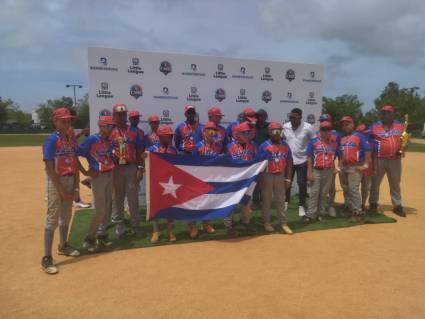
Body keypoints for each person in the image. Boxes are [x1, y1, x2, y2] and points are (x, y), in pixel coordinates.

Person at [41, 107, 81, 274]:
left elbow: (75, 162)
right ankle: (46, 258)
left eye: (69, 120)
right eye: (63, 120)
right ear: (55, 121)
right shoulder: (51, 140)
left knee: (66, 215)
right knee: (52, 219)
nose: (67, 122)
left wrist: (77, 186)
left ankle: (63, 245)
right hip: (56, 181)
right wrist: (61, 191)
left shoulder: (71, 138)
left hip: (70, 179)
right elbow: (49, 169)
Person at [78, 116, 115, 252]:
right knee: (100, 209)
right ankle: (89, 237)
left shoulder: (109, 140)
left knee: (107, 207)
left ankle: (102, 234)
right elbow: (76, 152)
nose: (111, 128)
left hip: (110, 174)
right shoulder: (92, 139)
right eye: (108, 126)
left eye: (112, 126)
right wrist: (85, 172)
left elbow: (107, 157)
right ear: (101, 126)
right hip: (98, 177)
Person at [110, 103, 144, 238]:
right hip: (116, 168)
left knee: (133, 199)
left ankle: (136, 226)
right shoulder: (109, 132)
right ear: (114, 116)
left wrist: (140, 168)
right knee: (117, 199)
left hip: (131, 167)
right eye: (119, 114)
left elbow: (140, 152)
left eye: (124, 114)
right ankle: (120, 228)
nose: (122, 117)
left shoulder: (134, 131)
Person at [369, 105, 406, 216]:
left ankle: (397, 205)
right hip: (378, 159)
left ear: (392, 114)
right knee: (375, 183)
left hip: (395, 159)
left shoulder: (400, 126)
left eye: (388, 112)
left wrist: (404, 147)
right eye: (383, 113)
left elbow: (404, 140)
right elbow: (367, 141)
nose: (385, 114)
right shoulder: (374, 127)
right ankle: (373, 203)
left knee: (395, 183)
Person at [258, 122, 293, 234]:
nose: (277, 133)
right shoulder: (264, 145)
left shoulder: (285, 145)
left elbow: (289, 162)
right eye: (274, 131)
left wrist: (288, 178)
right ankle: (266, 222)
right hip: (267, 175)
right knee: (266, 200)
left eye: (279, 130)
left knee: (280, 200)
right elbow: (258, 164)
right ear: (269, 132)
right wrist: (260, 179)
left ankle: (283, 223)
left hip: (280, 175)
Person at [225, 122, 258, 234]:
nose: (247, 135)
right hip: (234, 180)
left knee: (247, 202)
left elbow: (256, 162)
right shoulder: (230, 146)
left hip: (248, 180)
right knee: (231, 203)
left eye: (248, 132)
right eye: (245, 133)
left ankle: (246, 222)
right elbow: (227, 164)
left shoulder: (253, 146)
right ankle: (229, 226)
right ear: (237, 134)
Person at [304, 121, 339, 223]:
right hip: (316, 171)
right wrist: (309, 172)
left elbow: (336, 156)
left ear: (331, 131)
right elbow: (309, 157)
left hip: (328, 171)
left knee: (323, 194)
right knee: (314, 193)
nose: (326, 131)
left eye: (328, 129)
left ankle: (320, 213)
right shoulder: (313, 141)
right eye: (323, 129)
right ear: (320, 130)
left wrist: (337, 168)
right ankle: (310, 214)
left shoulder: (333, 143)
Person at [338, 116, 371, 222]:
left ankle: (358, 212)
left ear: (352, 124)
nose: (345, 126)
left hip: (355, 166)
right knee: (345, 188)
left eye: (347, 124)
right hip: (344, 166)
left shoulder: (360, 136)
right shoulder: (341, 138)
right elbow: (341, 154)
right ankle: (349, 207)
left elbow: (367, 151)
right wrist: (339, 166)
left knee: (353, 189)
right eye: (343, 124)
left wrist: (365, 166)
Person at [282, 108, 315, 216]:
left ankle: (301, 205)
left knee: (302, 183)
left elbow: (313, 142)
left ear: (300, 117)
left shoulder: (308, 127)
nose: (292, 119)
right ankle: (286, 202)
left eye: (294, 118)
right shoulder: (285, 127)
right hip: (288, 161)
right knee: (287, 182)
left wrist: (310, 156)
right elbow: (281, 140)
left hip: (302, 160)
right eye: (290, 117)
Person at [148, 124, 178, 243]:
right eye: (168, 136)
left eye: (171, 136)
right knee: (155, 207)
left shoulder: (173, 151)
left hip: (170, 184)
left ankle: (170, 231)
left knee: (169, 207)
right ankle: (156, 231)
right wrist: (144, 157)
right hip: (156, 183)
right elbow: (145, 161)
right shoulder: (152, 150)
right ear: (160, 137)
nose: (170, 138)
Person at [317, 114, 340, 217]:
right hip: (318, 165)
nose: (323, 122)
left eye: (325, 120)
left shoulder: (336, 134)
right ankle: (318, 207)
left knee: (331, 187)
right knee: (318, 188)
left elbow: (339, 151)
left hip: (330, 164)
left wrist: (337, 167)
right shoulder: (317, 134)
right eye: (321, 120)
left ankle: (330, 206)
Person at [252, 109, 270, 209]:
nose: (259, 118)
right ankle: (255, 202)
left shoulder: (269, 127)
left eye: (262, 116)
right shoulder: (253, 126)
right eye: (258, 116)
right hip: (255, 157)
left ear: (265, 117)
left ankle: (264, 201)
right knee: (256, 181)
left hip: (267, 157)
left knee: (265, 181)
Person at [355, 124, 375, 212]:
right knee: (354, 186)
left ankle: (362, 204)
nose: (366, 135)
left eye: (366, 133)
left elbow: (374, 156)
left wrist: (374, 168)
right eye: (364, 133)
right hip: (357, 165)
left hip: (368, 166)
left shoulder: (371, 142)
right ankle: (354, 204)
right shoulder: (354, 142)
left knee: (365, 187)